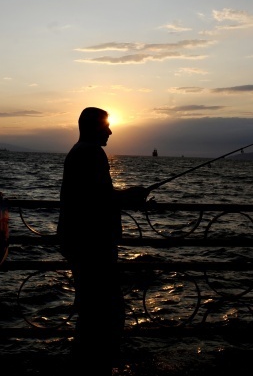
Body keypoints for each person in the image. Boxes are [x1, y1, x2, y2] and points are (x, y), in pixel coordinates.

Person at [57, 107, 149, 374]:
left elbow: (94, 194)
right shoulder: (92, 153)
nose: (110, 131)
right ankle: (96, 366)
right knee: (107, 311)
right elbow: (101, 200)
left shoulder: (78, 151)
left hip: (78, 241)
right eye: (106, 126)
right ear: (92, 127)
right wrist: (131, 195)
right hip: (92, 245)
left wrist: (125, 194)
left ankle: (86, 363)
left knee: (90, 310)